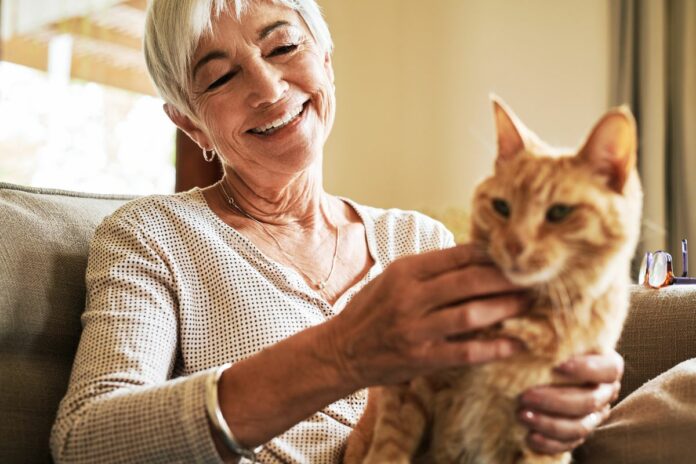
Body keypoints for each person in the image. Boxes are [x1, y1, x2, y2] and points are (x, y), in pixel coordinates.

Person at [50, 0, 623, 462]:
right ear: (188, 122)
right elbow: (84, 441)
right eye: (221, 76)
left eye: (284, 46)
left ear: (326, 60)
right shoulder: (153, 236)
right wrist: (343, 354)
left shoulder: (419, 240)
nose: (269, 88)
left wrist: (574, 397)